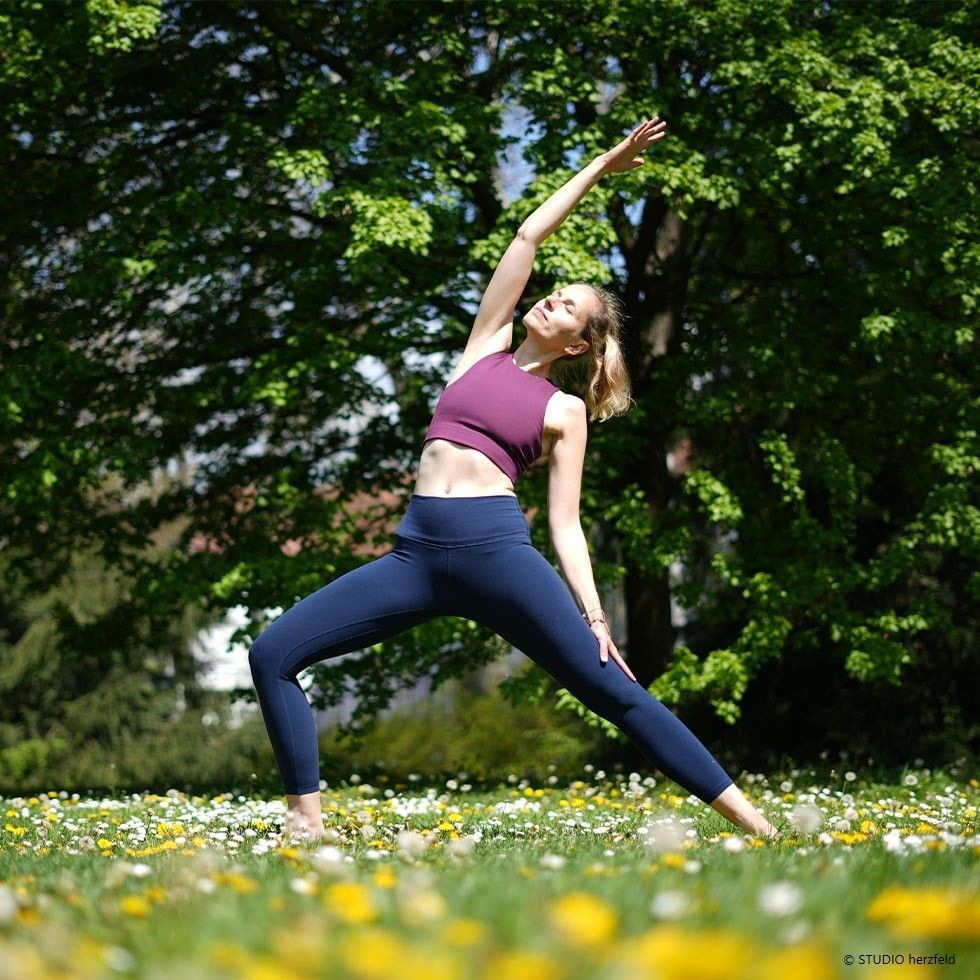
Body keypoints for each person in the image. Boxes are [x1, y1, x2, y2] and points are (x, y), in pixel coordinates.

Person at [248, 118, 780, 842]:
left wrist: (597, 619)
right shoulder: (483, 348)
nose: (550, 300)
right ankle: (305, 828)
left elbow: (565, 523)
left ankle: (756, 824)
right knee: (272, 653)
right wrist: (601, 165)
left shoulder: (564, 410)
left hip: (497, 557)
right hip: (416, 556)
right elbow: (528, 238)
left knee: (612, 691)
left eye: (565, 306)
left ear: (581, 343)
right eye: (554, 293)